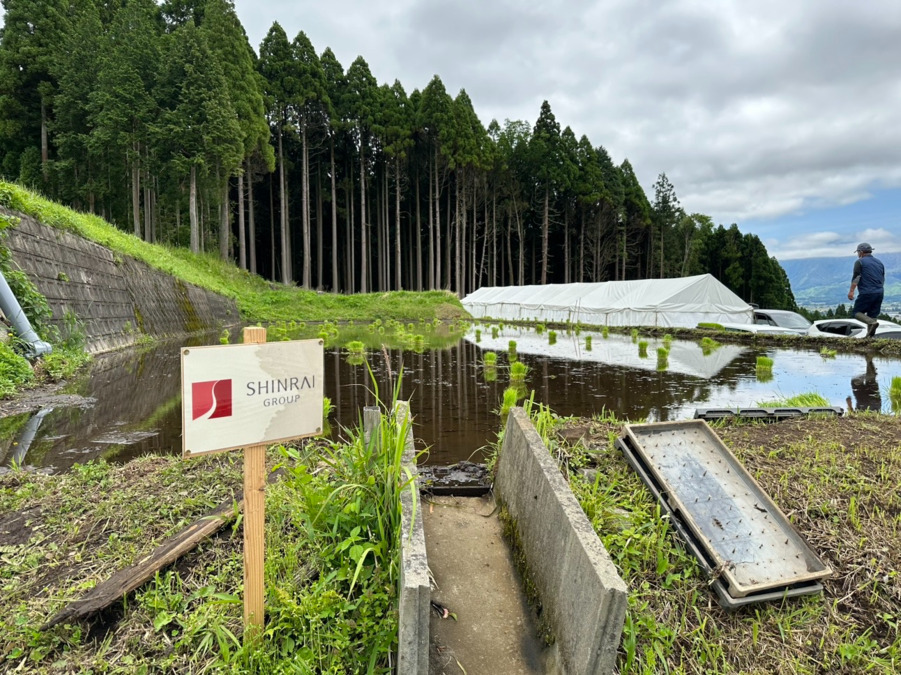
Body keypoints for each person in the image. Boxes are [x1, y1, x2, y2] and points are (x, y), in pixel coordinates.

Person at [847, 242, 885, 338]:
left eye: (858, 252)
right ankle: (869, 338)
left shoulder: (860, 262)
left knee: (856, 312)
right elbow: (882, 277)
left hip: (867, 292)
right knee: (873, 314)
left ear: (861, 252)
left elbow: (856, 277)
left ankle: (871, 323)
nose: (858, 254)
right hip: (879, 292)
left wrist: (851, 291)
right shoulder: (879, 262)